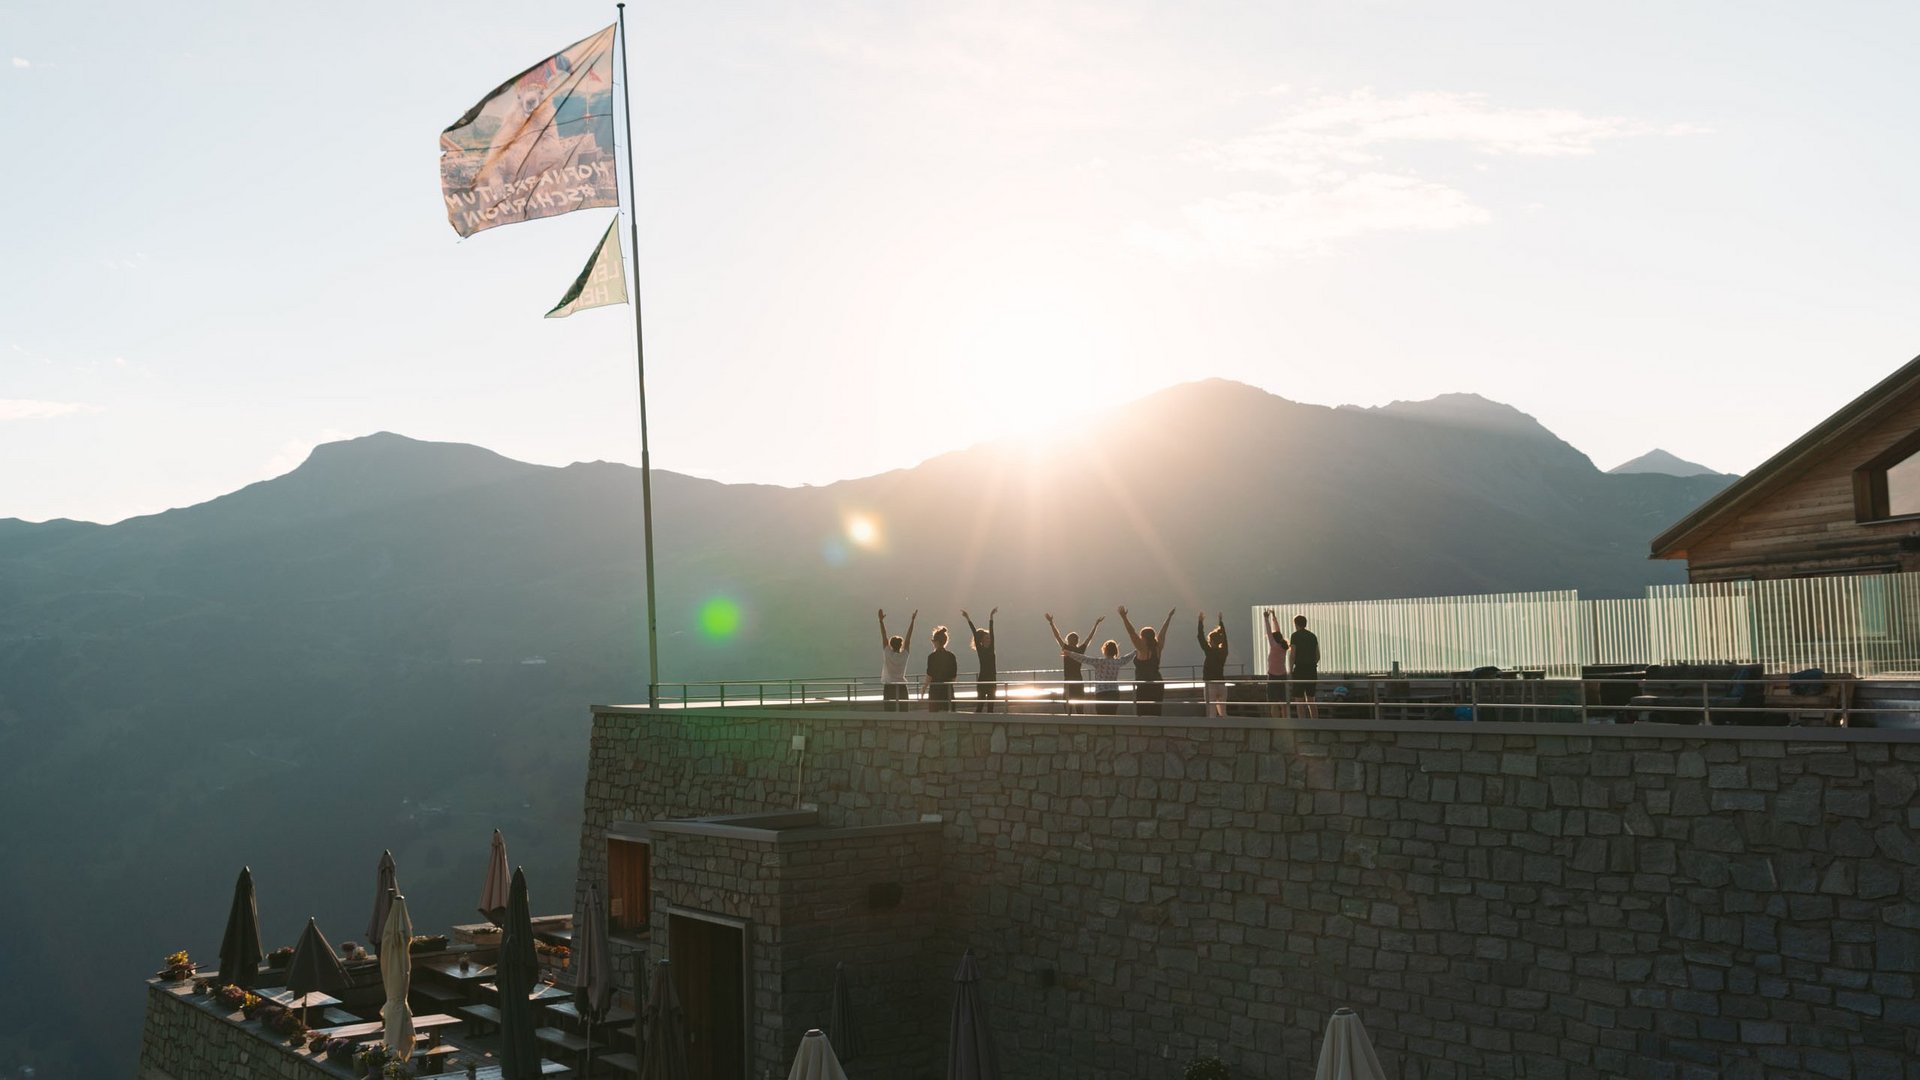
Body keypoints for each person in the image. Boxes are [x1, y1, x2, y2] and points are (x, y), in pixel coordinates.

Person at [1118, 604, 1175, 716]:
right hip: (1157, 683)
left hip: (1144, 686)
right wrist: (1169, 617)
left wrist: (1124, 618)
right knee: (1156, 712)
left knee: (1143, 713)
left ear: (1143, 637)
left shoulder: (1142, 648)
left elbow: (1131, 633)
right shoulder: (1158, 648)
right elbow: (1163, 632)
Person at [1046, 612, 1104, 714]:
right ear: (1077, 641)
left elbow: (1057, 636)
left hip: (1068, 681)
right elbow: (1089, 638)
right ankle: (1080, 722)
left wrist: (1051, 623)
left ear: (1068, 640)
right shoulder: (1080, 650)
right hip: (1078, 680)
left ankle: (1069, 723)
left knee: (1067, 705)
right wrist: (1096, 624)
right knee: (1079, 706)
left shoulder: (1066, 649)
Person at [1076, 638, 1132, 715]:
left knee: (1102, 716)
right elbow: (1127, 658)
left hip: (1101, 693)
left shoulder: (1100, 662)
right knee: (1112, 715)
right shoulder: (1117, 662)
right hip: (1114, 693)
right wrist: (1136, 651)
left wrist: (1069, 653)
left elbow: (1084, 658)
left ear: (1105, 650)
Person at [878, 608, 917, 711]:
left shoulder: (887, 653)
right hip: (902, 688)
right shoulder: (904, 655)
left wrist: (881, 621)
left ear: (890, 645)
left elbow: (884, 636)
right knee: (904, 714)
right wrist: (912, 620)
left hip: (889, 687)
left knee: (889, 714)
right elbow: (908, 639)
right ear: (901, 645)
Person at [962, 607, 998, 713]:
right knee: (980, 706)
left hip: (992, 680)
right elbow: (974, 632)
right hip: (982, 680)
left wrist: (991, 617)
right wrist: (968, 618)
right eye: (986, 638)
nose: (989, 640)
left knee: (990, 707)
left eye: (989, 638)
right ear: (982, 641)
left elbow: (992, 631)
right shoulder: (980, 649)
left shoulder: (991, 648)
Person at [1198, 612, 1230, 718]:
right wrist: (1221, 622)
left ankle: (1212, 733)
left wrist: (1200, 622)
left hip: (1210, 684)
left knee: (1211, 714)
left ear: (1211, 641)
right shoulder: (1224, 652)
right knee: (1223, 713)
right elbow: (1225, 638)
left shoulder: (1209, 651)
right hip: (1221, 684)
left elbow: (1200, 637)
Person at [1290, 614, 1320, 719]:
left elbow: (1292, 654)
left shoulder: (1295, 636)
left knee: (1299, 700)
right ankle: (1315, 722)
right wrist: (1312, 663)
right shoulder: (1312, 636)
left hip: (1300, 670)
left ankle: (1302, 723)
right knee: (1311, 699)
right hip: (1311, 670)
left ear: (1296, 624)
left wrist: (1290, 669)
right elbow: (1318, 655)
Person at [1262, 610, 1292, 718]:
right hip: (1283, 675)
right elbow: (1277, 631)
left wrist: (1266, 618)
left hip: (1273, 676)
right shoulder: (1283, 647)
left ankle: (1275, 720)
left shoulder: (1274, 646)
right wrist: (1274, 618)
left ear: (1274, 639)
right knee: (1283, 701)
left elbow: (1269, 632)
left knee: (1273, 702)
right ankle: (1285, 719)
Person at [924, 626, 958, 712]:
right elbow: (953, 677)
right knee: (950, 717)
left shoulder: (932, 657)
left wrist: (923, 689)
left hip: (935, 692)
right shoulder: (951, 656)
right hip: (948, 691)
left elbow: (929, 676)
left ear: (936, 642)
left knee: (934, 718)